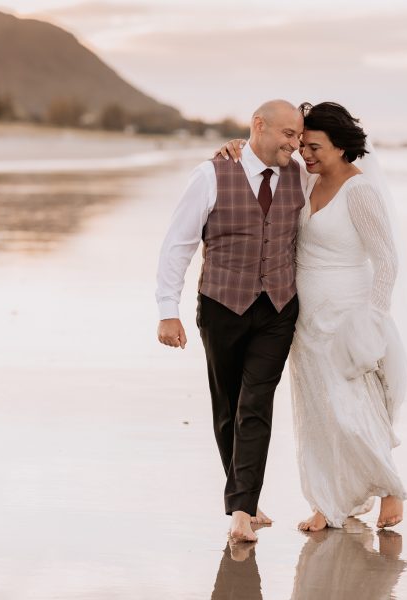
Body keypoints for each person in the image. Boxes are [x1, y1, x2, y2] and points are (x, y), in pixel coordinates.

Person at [218, 102, 407, 532]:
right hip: (303, 316)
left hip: (348, 316)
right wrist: (236, 146)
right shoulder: (305, 180)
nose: (304, 154)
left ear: (341, 146)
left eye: (314, 147)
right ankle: (328, 503)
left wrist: (373, 321)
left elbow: (386, 261)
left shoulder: (359, 191)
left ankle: (389, 488)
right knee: (316, 413)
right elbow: (262, 160)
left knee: (355, 407)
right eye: (302, 145)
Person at [155, 99, 305, 543]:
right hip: (221, 304)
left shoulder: (301, 174)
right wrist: (168, 310)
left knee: (256, 403)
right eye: (289, 135)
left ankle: (240, 509)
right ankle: (246, 495)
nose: (295, 145)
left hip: (279, 306)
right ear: (259, 126)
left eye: (299, 137)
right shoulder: (210, 175)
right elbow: (178, 244)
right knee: (228, 406)